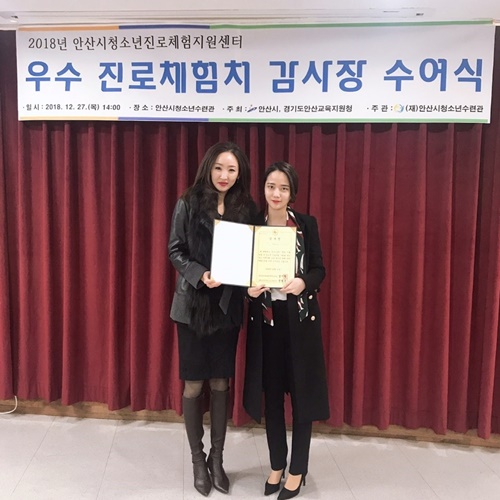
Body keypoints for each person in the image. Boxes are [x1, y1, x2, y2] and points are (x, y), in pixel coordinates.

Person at [168, 141, 256, 497]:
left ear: (239, 173)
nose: (224, 175)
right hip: (191, 307)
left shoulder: (246, 207)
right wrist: (200, 274)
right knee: (193, 385)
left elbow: (251, 254)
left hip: (226, 307)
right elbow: (175, 250)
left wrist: (248, 280)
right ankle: (197, 459)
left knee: (221, 383)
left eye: (231, 169)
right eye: (219, 167)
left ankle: (217, 459)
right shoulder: (188, 201)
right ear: (208, 167)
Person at [243, 161, 330, 500]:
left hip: (300, 323)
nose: (276, 194)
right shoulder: (253, 227)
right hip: (267, 324)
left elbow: (319, 269)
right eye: (270, 187)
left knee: (302, 397)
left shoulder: (306, 225)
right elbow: (242, 273)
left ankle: (297, 469)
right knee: (273, 399)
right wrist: (249, 290)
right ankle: (277, 464)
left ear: (292, 192)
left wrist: (303, 282)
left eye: (283, 188)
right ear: (263, 190)